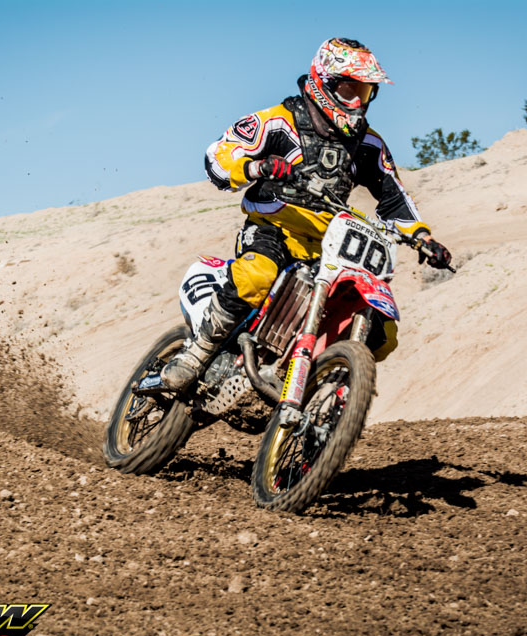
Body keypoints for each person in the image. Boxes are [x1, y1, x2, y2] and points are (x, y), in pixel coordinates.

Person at [161, 37, 451, 391]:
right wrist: (255, 167)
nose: (357, 102)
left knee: (383, 333)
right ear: (323, 83)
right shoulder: (278, 122)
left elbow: (393, 196)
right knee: (256, 277)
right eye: (349, 90)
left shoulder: (369, 144)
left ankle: (318, 391)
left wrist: (423, 237)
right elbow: (221, 154)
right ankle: (197, 354)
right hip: (272, 226)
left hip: (331, 245)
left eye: (364, 92)